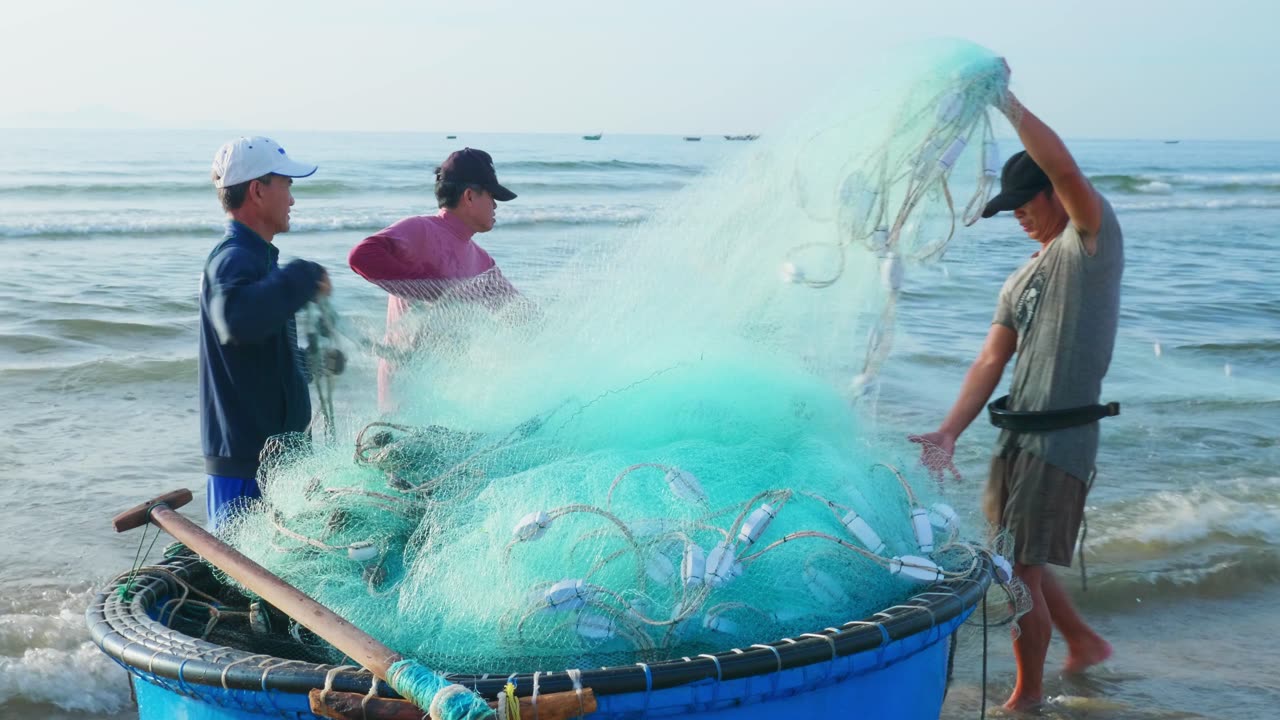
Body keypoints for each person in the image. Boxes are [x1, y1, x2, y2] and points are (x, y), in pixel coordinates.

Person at [910, 65, 1120, 712]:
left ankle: (1025, 697)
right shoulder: (1021, 277)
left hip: (1061, 440)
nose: (1021, 219)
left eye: (1026, 206)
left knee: (1021, 569)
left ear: (1055, 198)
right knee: (1012, 554)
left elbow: (1065, 171)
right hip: (1018, 437)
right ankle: (1084, 643)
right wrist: (949, 430)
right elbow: (989, 361)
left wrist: (1006, 103)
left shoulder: (1090, 242)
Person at [201, 136, 331, 529]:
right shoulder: (233, 258)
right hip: (245, 468)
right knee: (245, 580)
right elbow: (236, 320)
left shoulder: (261, 262)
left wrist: (305, 364)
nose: (292, 199)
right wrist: (302, 275)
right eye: (286, 185)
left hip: (276, 460)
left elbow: (255, 353)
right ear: (257, 190)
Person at [348, 148, 520, 410]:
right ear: (470, 196)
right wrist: (435, 290)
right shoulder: (421, 229)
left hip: (449, 391)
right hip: (407, 395)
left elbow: (519, 314)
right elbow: (362, 256)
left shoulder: (482, 261)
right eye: (492, 196)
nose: (495, 205)